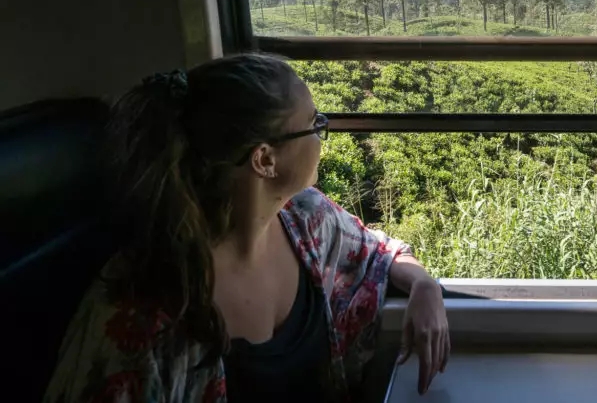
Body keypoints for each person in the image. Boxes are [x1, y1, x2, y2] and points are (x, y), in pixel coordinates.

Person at [44, 54, 449, 403]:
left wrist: (424, 286)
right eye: (313, 124)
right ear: (264, 160)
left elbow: (378, 251)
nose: (321, 135)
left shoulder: (305, 220)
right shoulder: (142, 312)